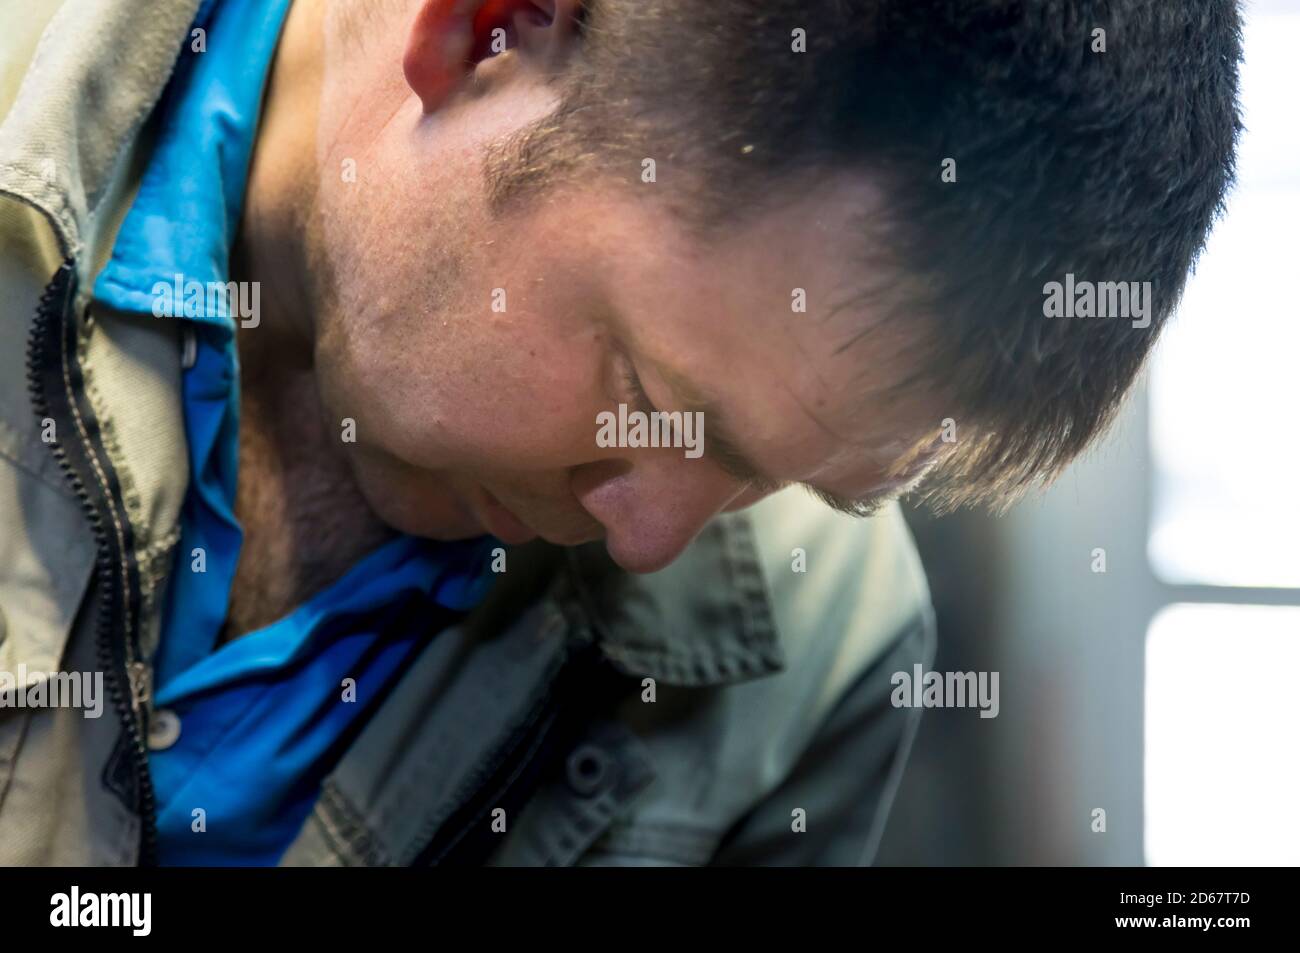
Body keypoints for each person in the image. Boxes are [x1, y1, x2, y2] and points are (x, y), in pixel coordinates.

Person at [0, 0, 1240, 865]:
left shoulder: (819, 663)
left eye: (774, 477)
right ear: (488, 28)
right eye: (650, 397)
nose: (650, 541)